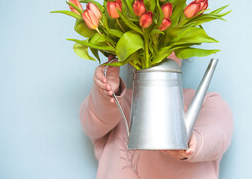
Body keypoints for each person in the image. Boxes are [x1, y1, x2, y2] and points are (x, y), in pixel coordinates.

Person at [79, 53, 234, 179]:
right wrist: (107, 91)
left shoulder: (207, 103)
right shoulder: (120, 101)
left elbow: (218, 134)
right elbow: (94, 121)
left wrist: (194, 143)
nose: (157, 46)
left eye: (167, 38)